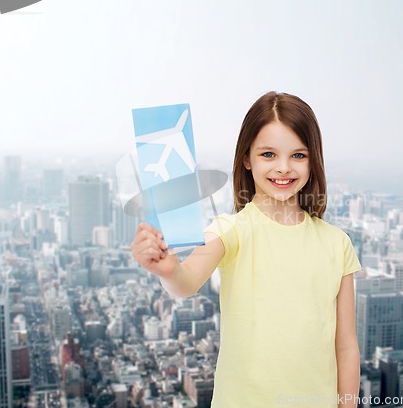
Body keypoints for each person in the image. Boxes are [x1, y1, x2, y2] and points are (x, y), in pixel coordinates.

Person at [131, 91, 362, 408]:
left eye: (298, 155)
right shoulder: (230, 230)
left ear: (313, 160)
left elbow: (346, 345)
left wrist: (346, 404)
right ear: (246, 159)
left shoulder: (338, 244)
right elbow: (186, 281)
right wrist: (168, 270)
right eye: (268, 154)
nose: (283, 167)